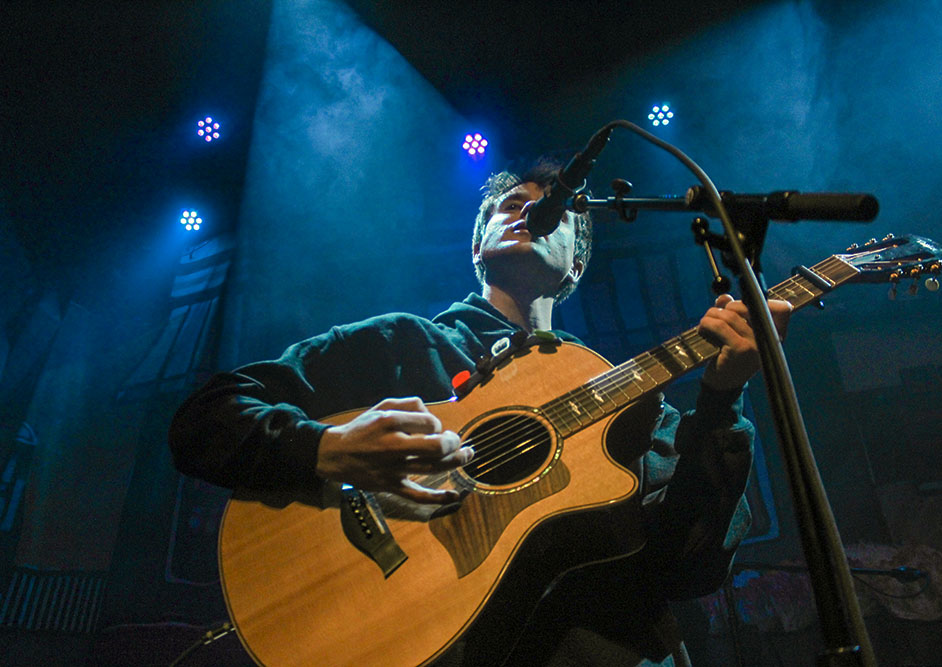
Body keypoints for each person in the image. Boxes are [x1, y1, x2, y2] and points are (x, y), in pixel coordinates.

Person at [169, 158, 792, 666]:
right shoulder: (399, 344)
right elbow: (206, 417)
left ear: (576, 260)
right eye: (510, 205)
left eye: (556, 212)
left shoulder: (625, 399)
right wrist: (325, 450)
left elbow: (690, 562)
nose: (528, 213)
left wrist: (721, 399)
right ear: (480, 244)